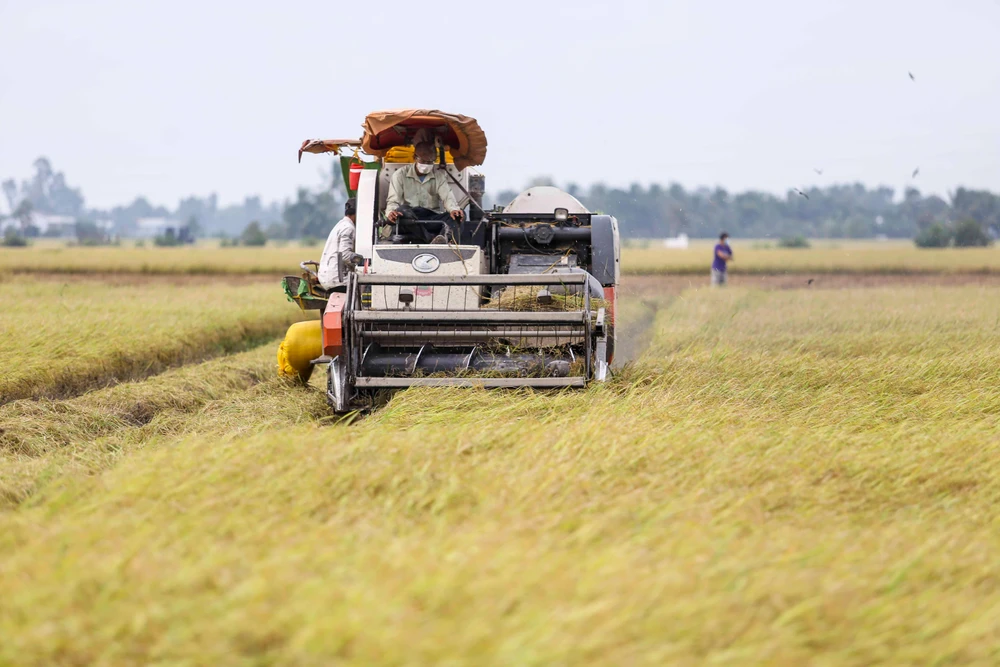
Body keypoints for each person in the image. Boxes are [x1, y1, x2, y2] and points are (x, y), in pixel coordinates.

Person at [385, 136, 464, 244]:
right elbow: (393, 201)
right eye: (424, 161)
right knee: (402, 210)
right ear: (415, 157)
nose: (426, 165)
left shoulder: (439, 176)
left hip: (431, 218)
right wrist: (391, 213)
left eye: (430, 162)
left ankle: (447, 240)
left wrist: (453, 209)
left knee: (459, 215)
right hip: (410, 219)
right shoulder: (400, 175)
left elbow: (447, 197)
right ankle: (431, 239)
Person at [318, 197, 360, 290]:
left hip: (327, 277)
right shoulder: (349, 228)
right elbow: (345, 255)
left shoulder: (340, 225)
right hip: (338, 280)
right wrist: (363, 260)